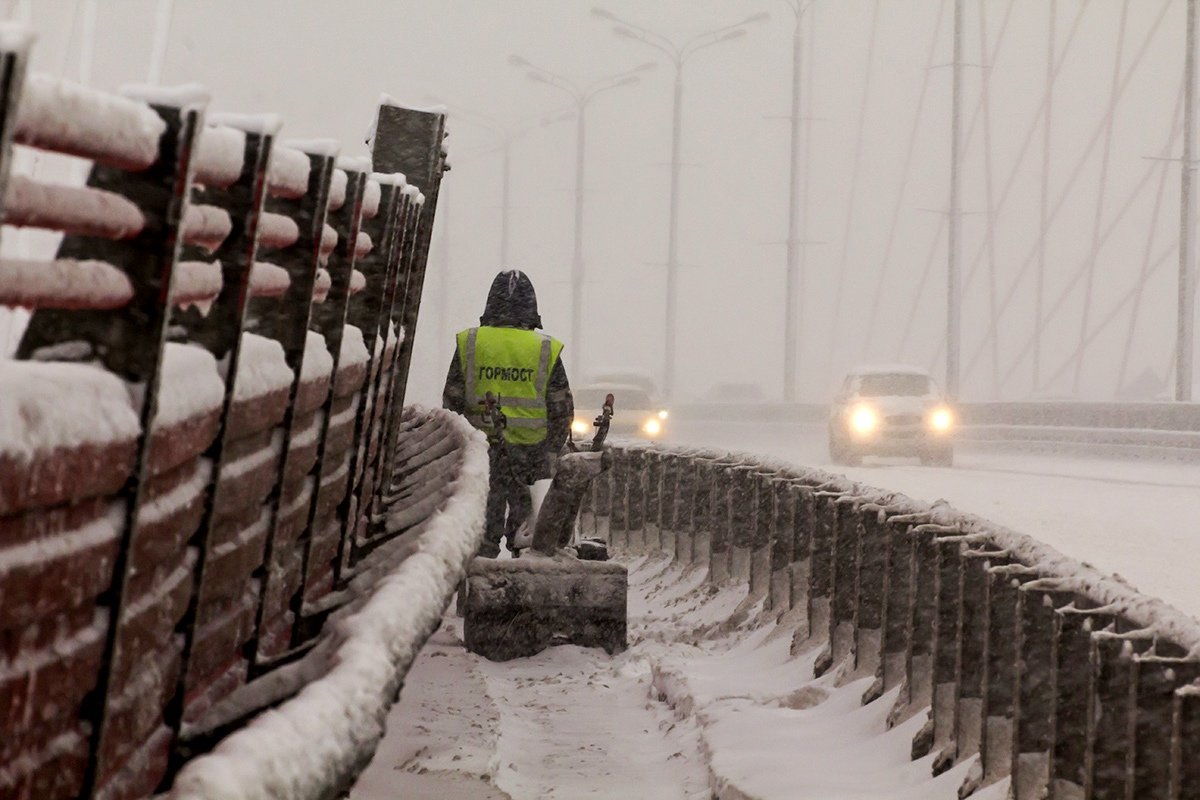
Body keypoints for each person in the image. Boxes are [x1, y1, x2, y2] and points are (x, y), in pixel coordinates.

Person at [443, 270, 573, 557]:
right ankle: (522, 575)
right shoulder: (545, 348)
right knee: (528, 533)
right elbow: (561, 409)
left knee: (480, 532)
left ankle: (479, 573)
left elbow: (452, 403)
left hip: (482, 453)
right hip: (530, 457)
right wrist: (551, 451)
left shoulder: (471, 342)